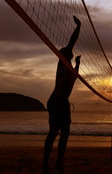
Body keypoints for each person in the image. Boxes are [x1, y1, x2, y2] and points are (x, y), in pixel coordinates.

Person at [42, 15, 81, 173]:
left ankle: (59, 163)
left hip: (63, 101)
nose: (69, 49)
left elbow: (74, 80)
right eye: (66, 50)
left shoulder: (71, 67)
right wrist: (79, 27)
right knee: (53, 133)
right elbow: (72, 41)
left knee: (65, 133)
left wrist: (77, 64)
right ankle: (45, 164)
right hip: (56, 101)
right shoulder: (62, 61)